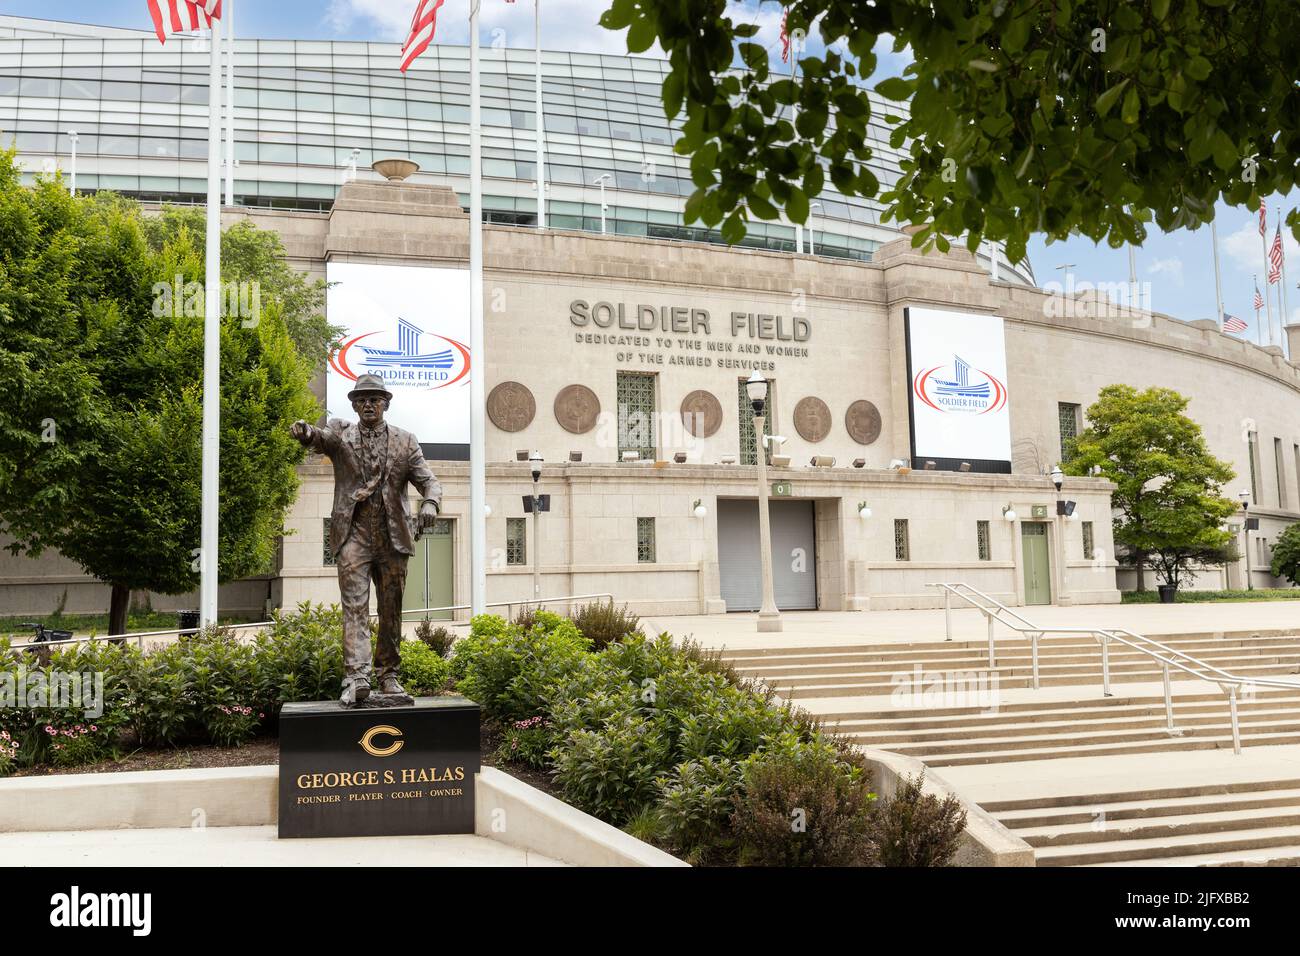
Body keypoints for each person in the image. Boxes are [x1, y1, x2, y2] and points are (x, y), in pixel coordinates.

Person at [290, 374, 442, 706]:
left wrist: (430, 503)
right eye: (362, 399)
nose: (368, 404)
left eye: (375, 399)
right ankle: (356, 676)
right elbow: (319, 438)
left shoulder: (405, 441)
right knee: (354, 607)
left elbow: (428, 480)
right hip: (353, 535)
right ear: (354, 405)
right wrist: (306, 432)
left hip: (392, 538)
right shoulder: (341, 435)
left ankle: (388, 675)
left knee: (391, 611)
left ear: (386, 404)